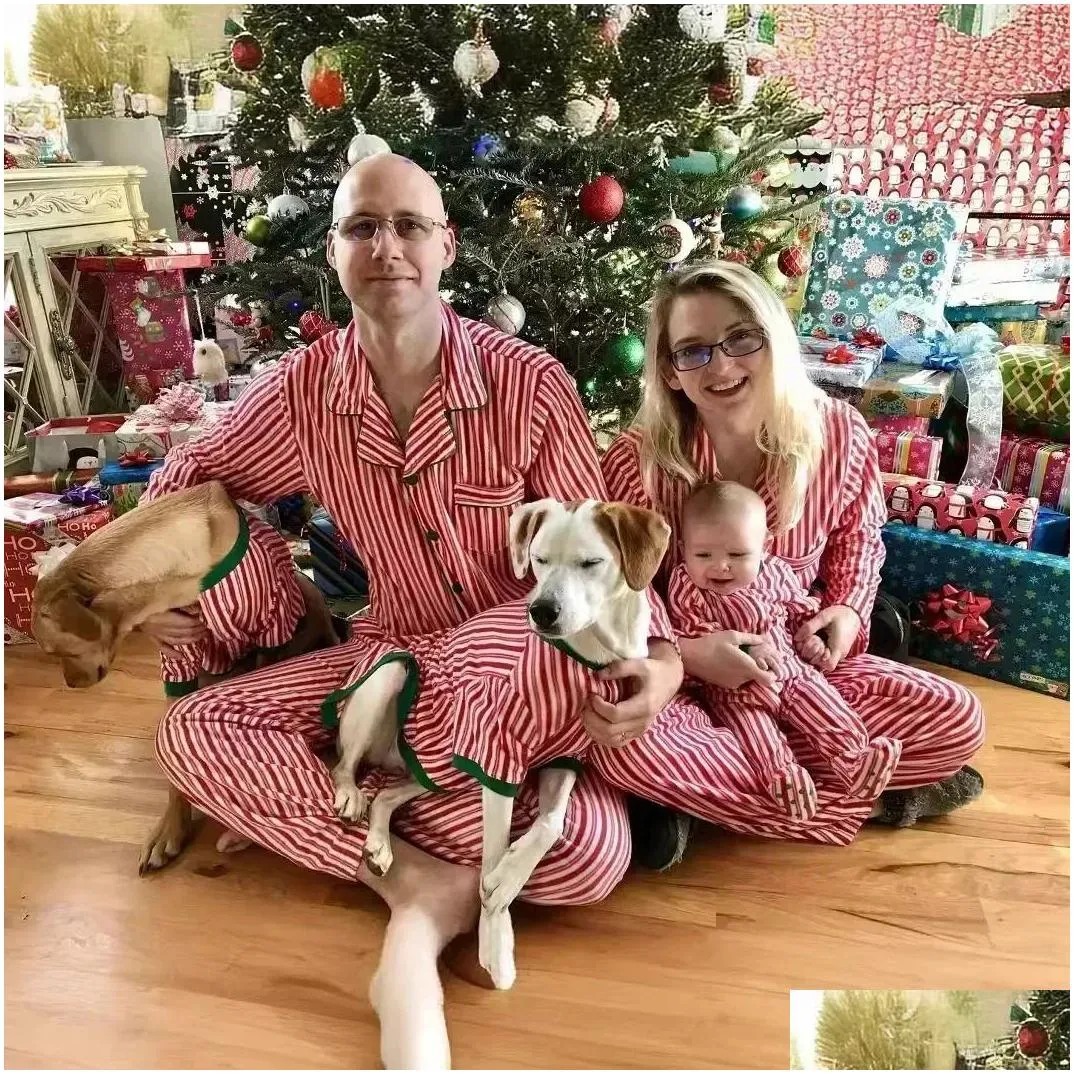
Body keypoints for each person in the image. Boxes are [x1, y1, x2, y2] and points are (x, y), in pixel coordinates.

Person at [136, 154, 682, 1065]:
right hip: (389, 656)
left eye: (408, 227)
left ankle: (380, 831)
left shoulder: (528, 383)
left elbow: (603, 564)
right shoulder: (305, 391)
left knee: (588, 857)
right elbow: (189, 477)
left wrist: (659, 663)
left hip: (520, 676)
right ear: (336, 249)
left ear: (446, 246)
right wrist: (145, 584)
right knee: (191, 735)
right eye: (362, 228)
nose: (386, 248)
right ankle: (420, 889)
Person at [590, 260, 986, 866]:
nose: (721, 366)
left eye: (741, 338)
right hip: (689, 691)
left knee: (959, 718)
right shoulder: (638, 461)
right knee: (624, 748)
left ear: (773, 335)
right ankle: (869, 801)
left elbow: (861, 540)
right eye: (694, 351)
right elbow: (623, 588)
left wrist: (848, 614)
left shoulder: (838, 433)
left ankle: (716, 808)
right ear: (670, 372)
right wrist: (694, 655)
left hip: (807, 675)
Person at [666, 479, 902, 821]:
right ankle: (783, 778)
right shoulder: (685, 584)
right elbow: (691, 632)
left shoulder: (776, 572)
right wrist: (746, 649)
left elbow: (798, 609)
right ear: (684, 548)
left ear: (764, 547)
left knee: (823, 702)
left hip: (792, 672)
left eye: (737, 554)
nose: (720, 566)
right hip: (735, 690)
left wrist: (813, 638)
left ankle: (854, 759)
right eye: (703, 554)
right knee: (755, 732)